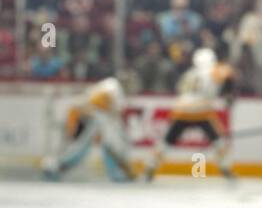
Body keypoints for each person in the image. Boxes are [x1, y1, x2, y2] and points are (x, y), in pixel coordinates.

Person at [142, 48, 236, 180]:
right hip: (201, 109)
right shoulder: (214, 69)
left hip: (181, 108)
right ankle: (226, 168)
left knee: (166, 141)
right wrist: (229, 95)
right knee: (218, 140)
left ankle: (150, 167)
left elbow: (180, 89)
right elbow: (228, 75)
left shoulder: (190, 73)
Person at [42, 77, 134, 182]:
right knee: (84, 147)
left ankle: (56, 166)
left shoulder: (110, 83)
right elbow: (115, 112)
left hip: (84, 113)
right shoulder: (116, 89)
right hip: (91, 115)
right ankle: (56, 166)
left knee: (98, 145)